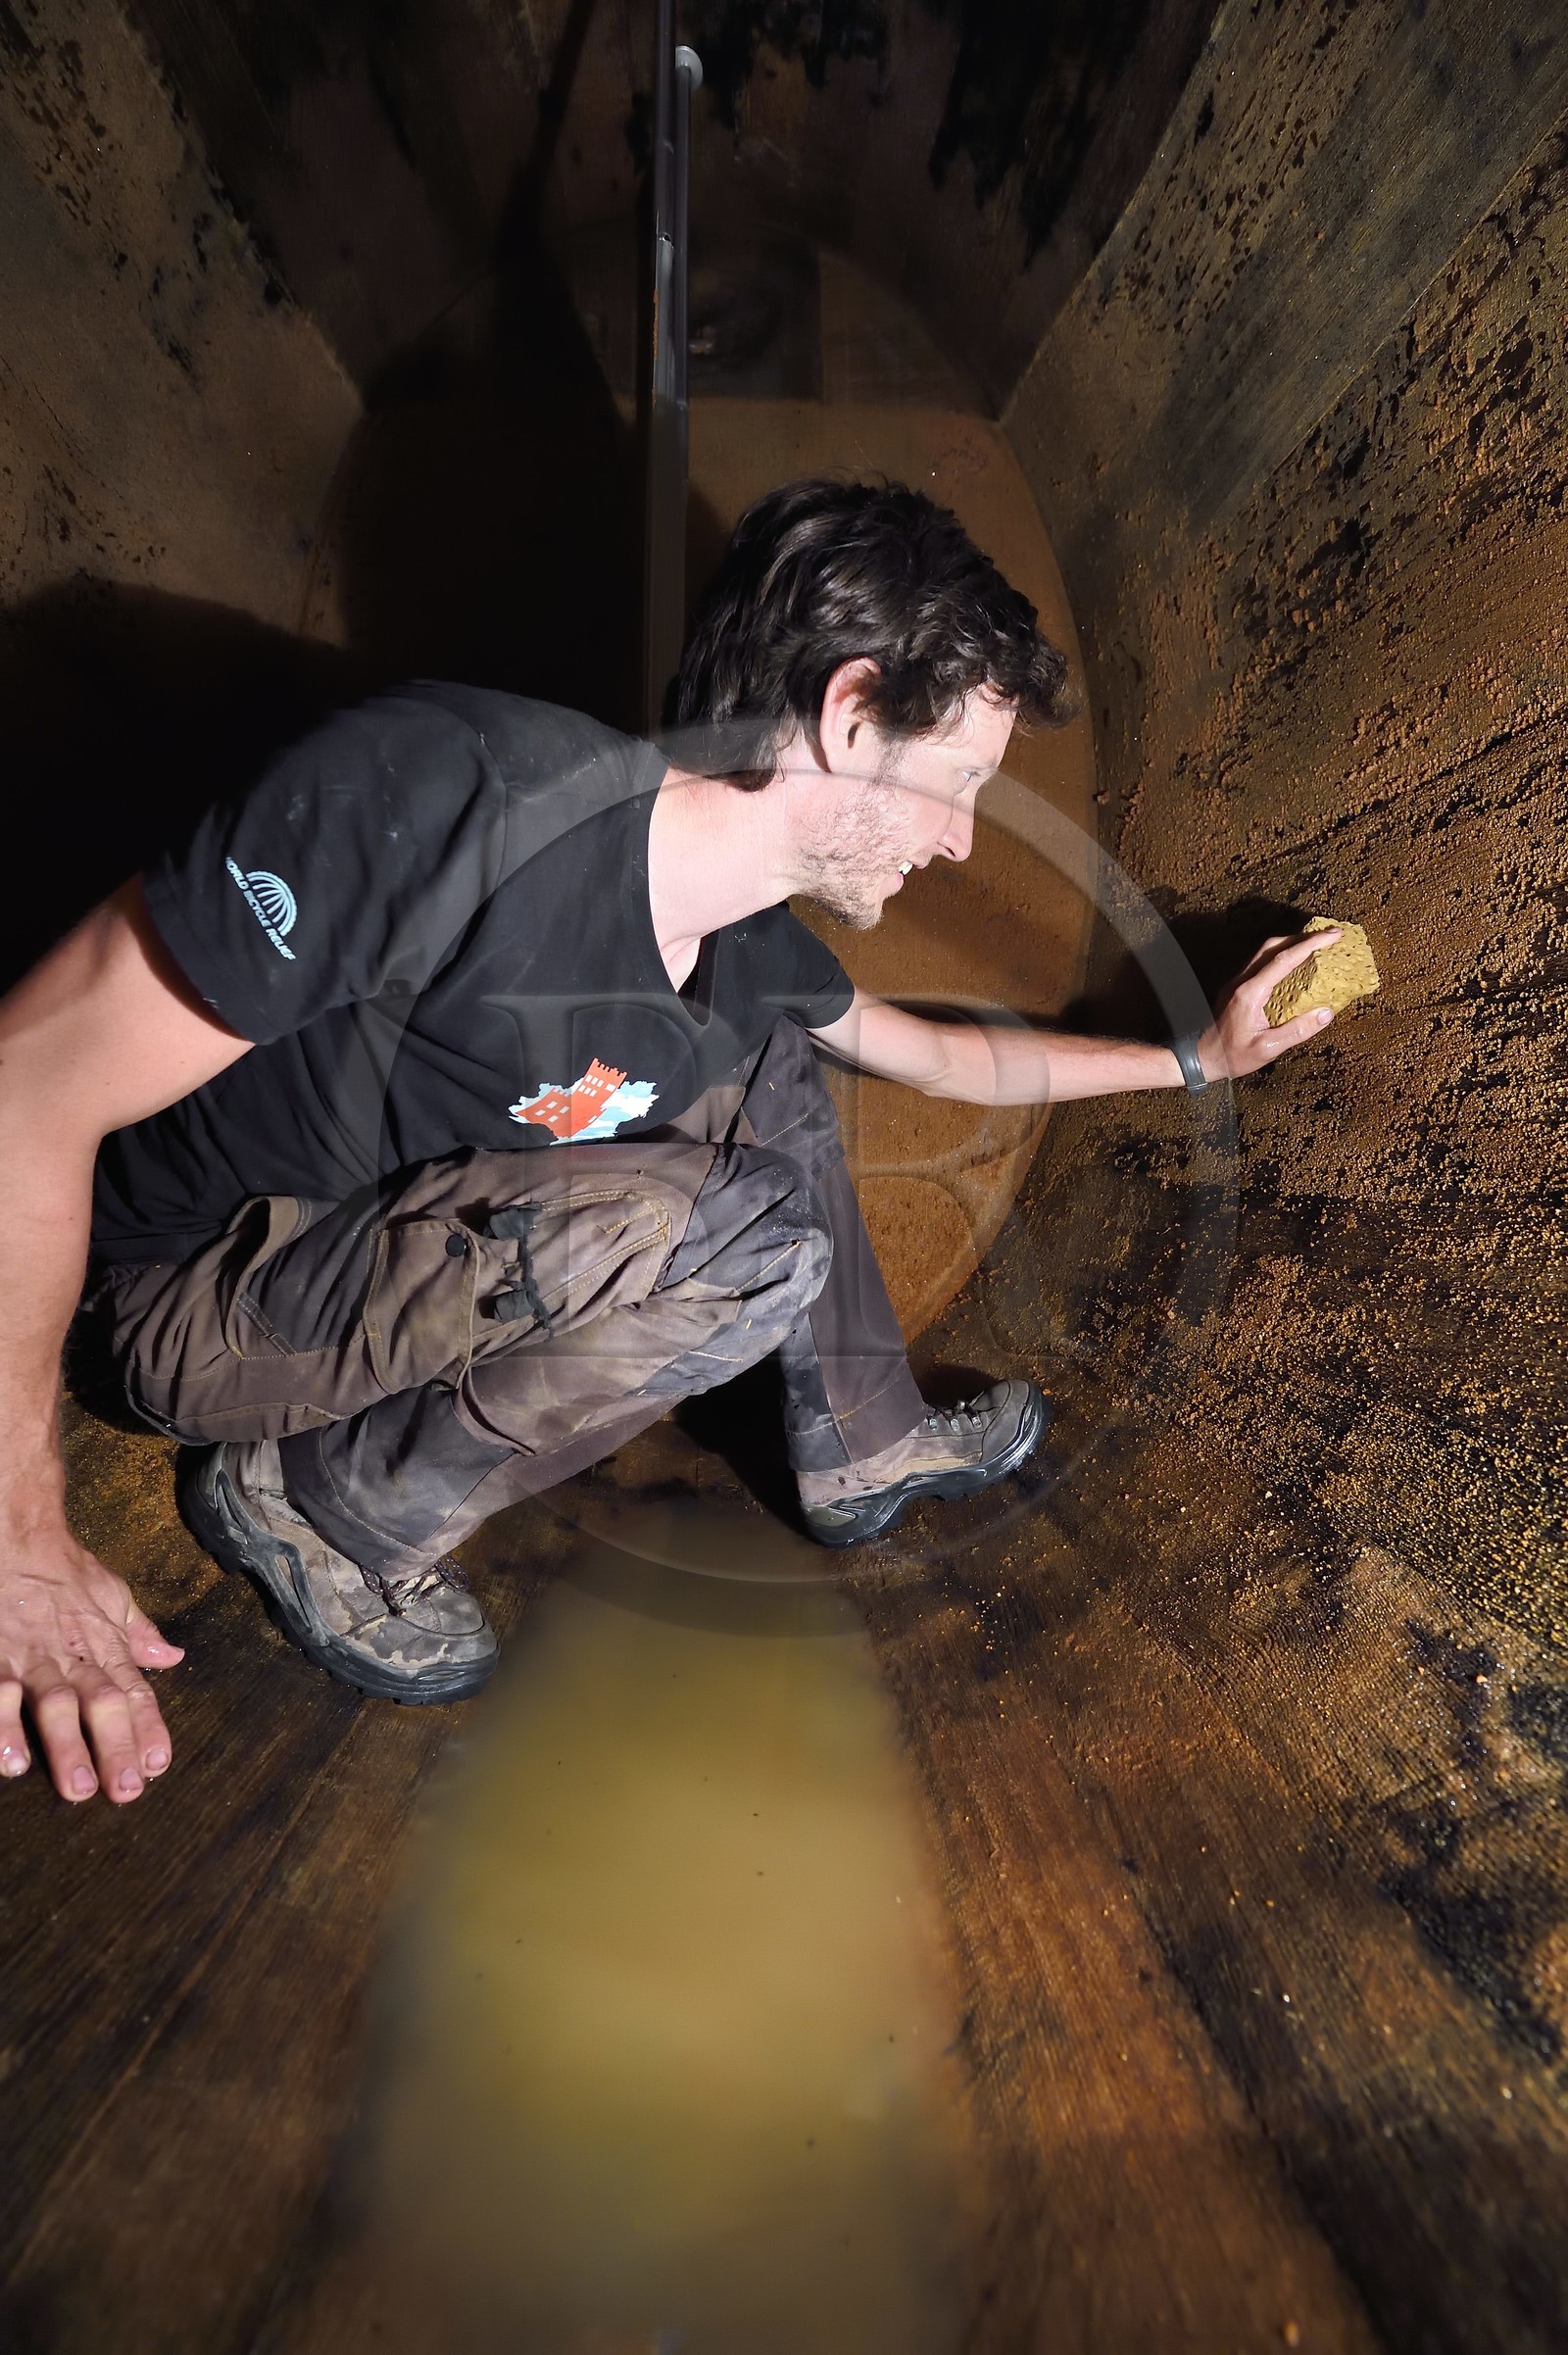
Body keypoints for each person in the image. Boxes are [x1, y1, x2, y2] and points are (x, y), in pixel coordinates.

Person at [0, 480, 1338, 1808]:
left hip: (378, 1245)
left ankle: (859, 1437)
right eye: (959, 784)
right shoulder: (448, 795)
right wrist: (18, 1530)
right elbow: (24, 1090)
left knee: (761, 1055)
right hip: (195, 1295)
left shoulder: (743, 944)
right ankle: (323, 1505)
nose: (959, 840)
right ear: (851, 715)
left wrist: (1194, 1061)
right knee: (753, 1244)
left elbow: (945, 1057)